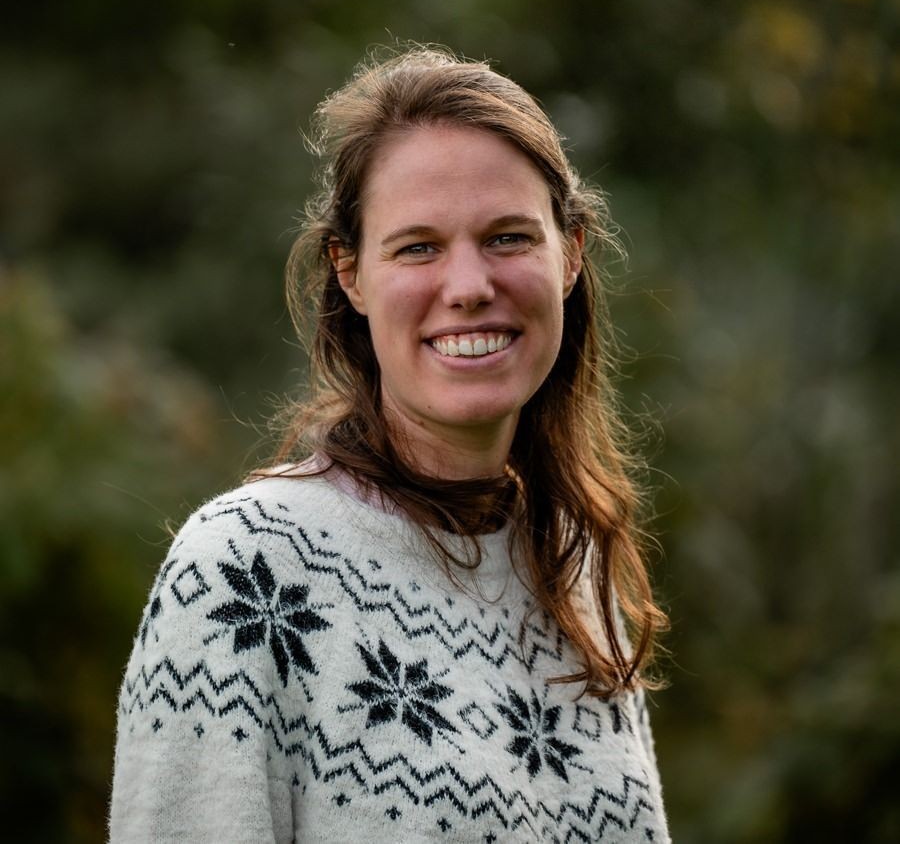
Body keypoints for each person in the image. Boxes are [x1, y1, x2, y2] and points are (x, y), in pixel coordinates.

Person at [109, 46, 670, 843]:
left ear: (570, 253)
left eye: (509, 237)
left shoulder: (573, 569)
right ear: (351, 274)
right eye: (418, 247)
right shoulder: (247, 572)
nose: (470, 285)